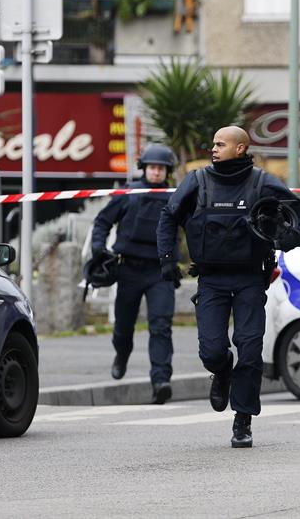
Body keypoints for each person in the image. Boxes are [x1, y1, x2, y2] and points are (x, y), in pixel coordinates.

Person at [157, 126, 300, 448]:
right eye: (212, 143)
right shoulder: (198, 180)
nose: (213, 148)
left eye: (220, 144)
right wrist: (166, 260)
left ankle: (242, 420)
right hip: (212, 279)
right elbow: (168, 216)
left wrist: (293, 238)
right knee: (212, 350)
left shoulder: (262, 183)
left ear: (241, 148)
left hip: (249, 279)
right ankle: (222, 372)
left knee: (249, 348)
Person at [91, 144, 180, 404]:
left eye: (161, 169)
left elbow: (194, 228)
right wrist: (99, 248)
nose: (156, 172)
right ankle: (122, 353)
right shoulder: (128, 193)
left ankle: (161, 381)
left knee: (161, 327)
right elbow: (102, 222)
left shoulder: (176, 197)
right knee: (123, 326)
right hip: (128, 269)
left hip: (161, 271)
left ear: (167, 172)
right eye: (152, 167)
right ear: (144, 169)